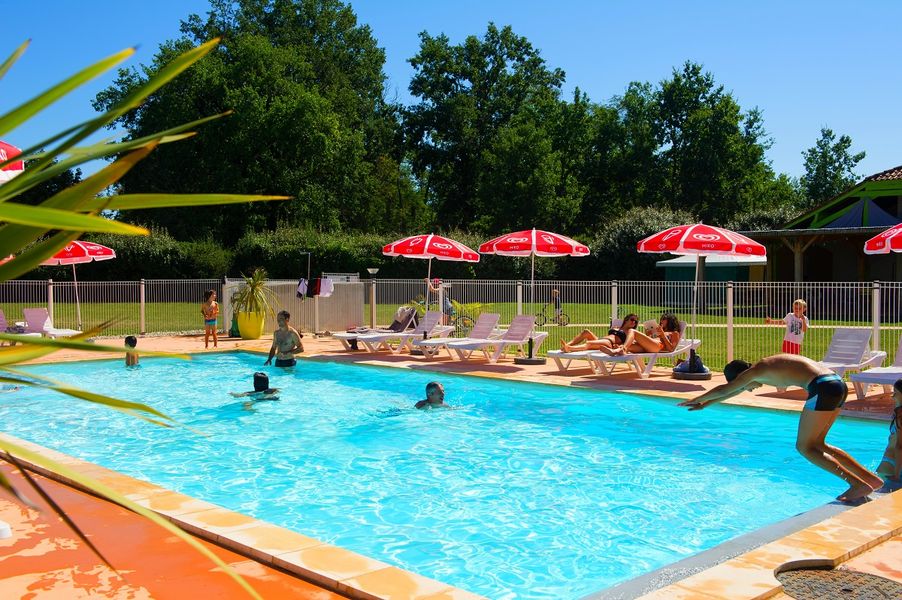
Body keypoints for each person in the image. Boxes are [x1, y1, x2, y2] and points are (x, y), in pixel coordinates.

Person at [678, 354, 883, 503]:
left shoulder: (757, 370)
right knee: (819, 444)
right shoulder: (765, 366)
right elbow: (732, 391)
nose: (749, 388)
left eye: (745, 384)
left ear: (742, 375)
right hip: (836, 384)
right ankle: (870, 479)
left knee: (805, 447)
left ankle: (857, 484)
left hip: (822, 387)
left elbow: (726, 388)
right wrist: (706, 404)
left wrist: (697, 399)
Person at [560, 313, 639, 355]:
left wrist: (619, 347)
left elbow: (631, 343)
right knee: (586, 332)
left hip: (609, 343)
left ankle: (569, 348)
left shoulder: (631, 332)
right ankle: (567, 345)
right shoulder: (618, 327)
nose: (634, 322)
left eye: (636, 321)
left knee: (589, 343)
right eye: (632, 319)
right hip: (602, 339)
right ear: (626, 320)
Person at [876, 379, 902, 484]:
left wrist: (896, 475)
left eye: (895, 393)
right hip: (896, 463)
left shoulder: (900, 416)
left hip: (891, 463)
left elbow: (900, 446)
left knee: (874, 489)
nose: (893, 396)